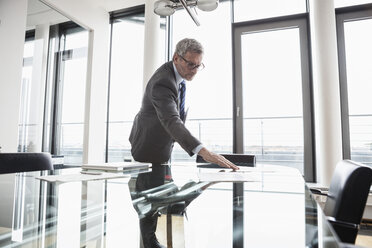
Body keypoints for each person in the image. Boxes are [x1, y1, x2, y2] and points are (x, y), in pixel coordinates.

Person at [129, 38, 239, 171]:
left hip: (161, 147)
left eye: (198, 66)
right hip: (147, 149)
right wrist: (204, 152)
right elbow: (171, 120)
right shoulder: (163, 82)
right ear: (176, 58)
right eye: (191, 64)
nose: (194, 70)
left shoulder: (178, 77)